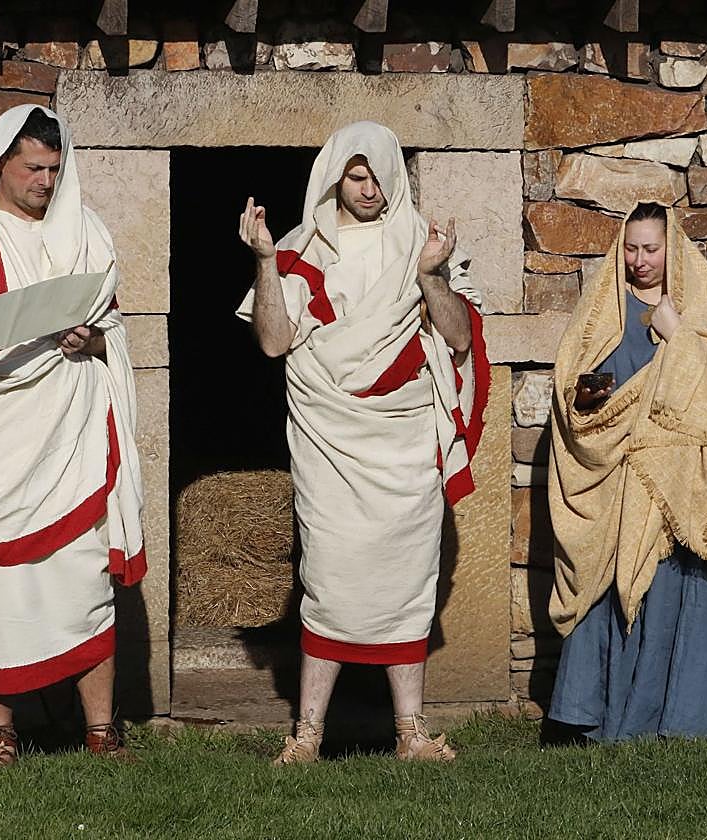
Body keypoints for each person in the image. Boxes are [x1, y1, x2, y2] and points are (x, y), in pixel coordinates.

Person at [237, 121, 489, 764]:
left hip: (404, 439)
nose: (369, 187)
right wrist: (266, 262)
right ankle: (308, 735)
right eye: (355, 175)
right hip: (330, 437)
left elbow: (458, 338)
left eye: (378, 174)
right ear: (334, 178)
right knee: (329, 575)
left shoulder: (422, 241)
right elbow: (272, 341)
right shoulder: (302, 249)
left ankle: (410, 733)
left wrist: (433, 276)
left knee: (406, 580)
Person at [0, 105, 146, 767]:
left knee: (84, 578)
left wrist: (89, 338)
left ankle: (101, 731)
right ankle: (2, 732)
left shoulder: (85, 232)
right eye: (34, 167)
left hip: (67, 434)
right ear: (2, 163)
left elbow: (111, 332)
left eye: (54, 169)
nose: (45, 180)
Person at [547, 202, 707, 742]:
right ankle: (593, 720)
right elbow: (571, 380)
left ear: (671, 248)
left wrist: (677, 333)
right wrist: (586, 398)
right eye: (631, 248)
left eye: (650, 248)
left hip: (680, 484)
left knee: (677, 593)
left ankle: (672, 726)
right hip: (616, 478)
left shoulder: (699, 305)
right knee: (607, 585)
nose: (639, 260)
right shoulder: (603, 307)